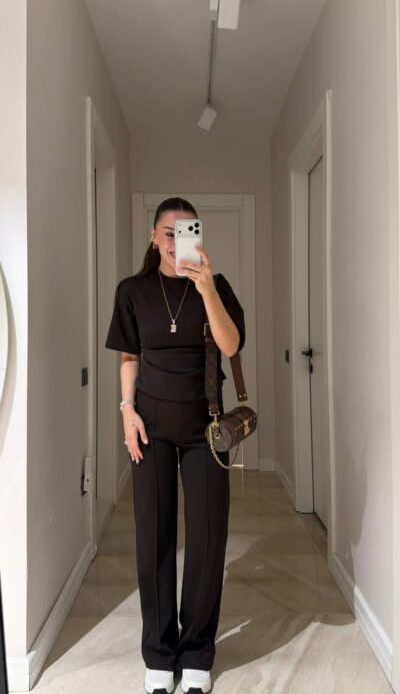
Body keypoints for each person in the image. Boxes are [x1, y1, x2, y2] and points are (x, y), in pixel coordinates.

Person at [105, 197, 245, 694]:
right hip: (150, 428)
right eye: (169, 232)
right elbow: (129, 356)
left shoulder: (216, 286)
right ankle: (160, 654)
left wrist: (206, 288)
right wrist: (127, 413)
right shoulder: (133, 291)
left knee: (207, 539)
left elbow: (230, 345)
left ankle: (197, 652)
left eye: (187, 231)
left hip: (207, 430)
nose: (175, 241)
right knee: (154, 539)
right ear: (153, 236)